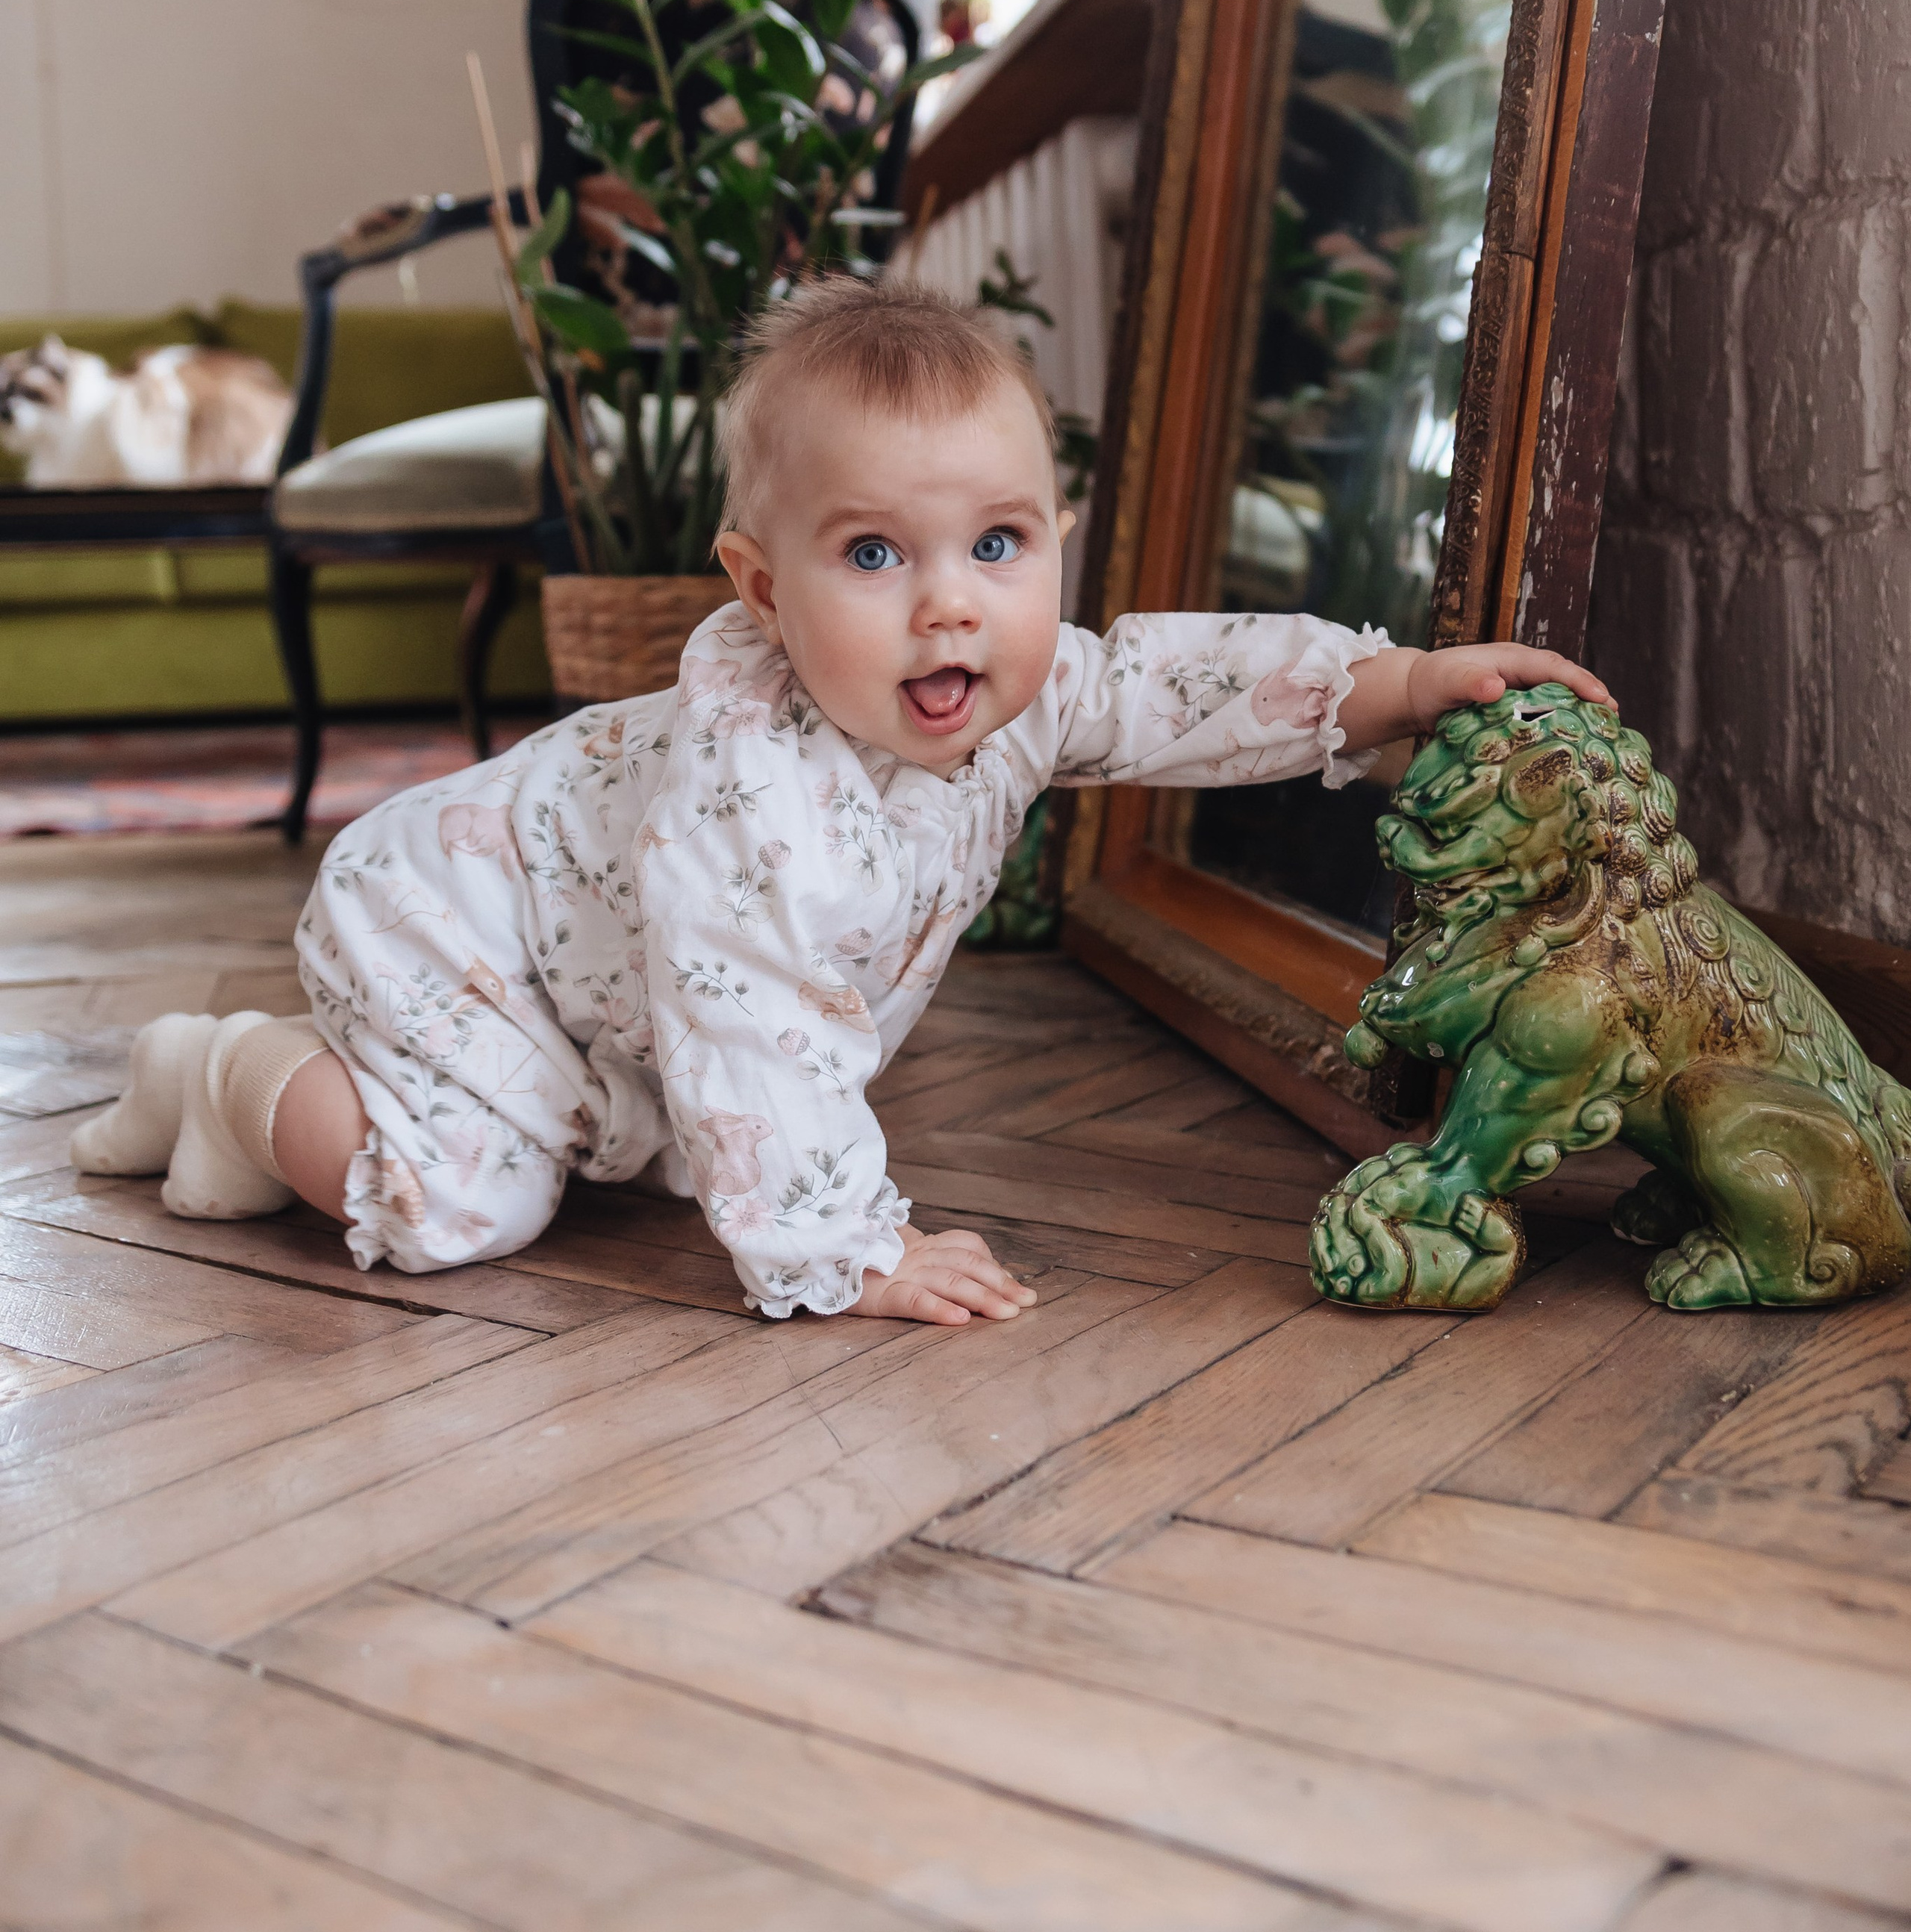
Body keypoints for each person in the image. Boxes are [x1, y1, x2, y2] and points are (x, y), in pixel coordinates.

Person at [72, 281, 1609, 1327]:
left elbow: (1172, 686)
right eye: (875, 556)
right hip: (441, 925)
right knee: (460, 1210)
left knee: (636, 1142)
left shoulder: (1024, 685)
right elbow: (754, 1015)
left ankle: (304, 1098)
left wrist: (1390, 688)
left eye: (996, 545)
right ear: (762, 583)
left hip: (582, 968)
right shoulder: (759, 804)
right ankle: (223, 1075)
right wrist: (845, 1253)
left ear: (1053, 539)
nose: (950, 609)